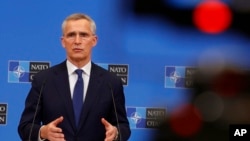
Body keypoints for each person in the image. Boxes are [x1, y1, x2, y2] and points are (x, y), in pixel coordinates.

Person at [18, 13, 131, 141]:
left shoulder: (111, 82)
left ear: (94, 40)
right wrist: (42, 132)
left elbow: (123, 127)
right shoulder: (43, 80)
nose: (77, 41)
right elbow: (25, 127)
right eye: (71, 35)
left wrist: (115, 133)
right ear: (63, 41)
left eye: (83, 35)